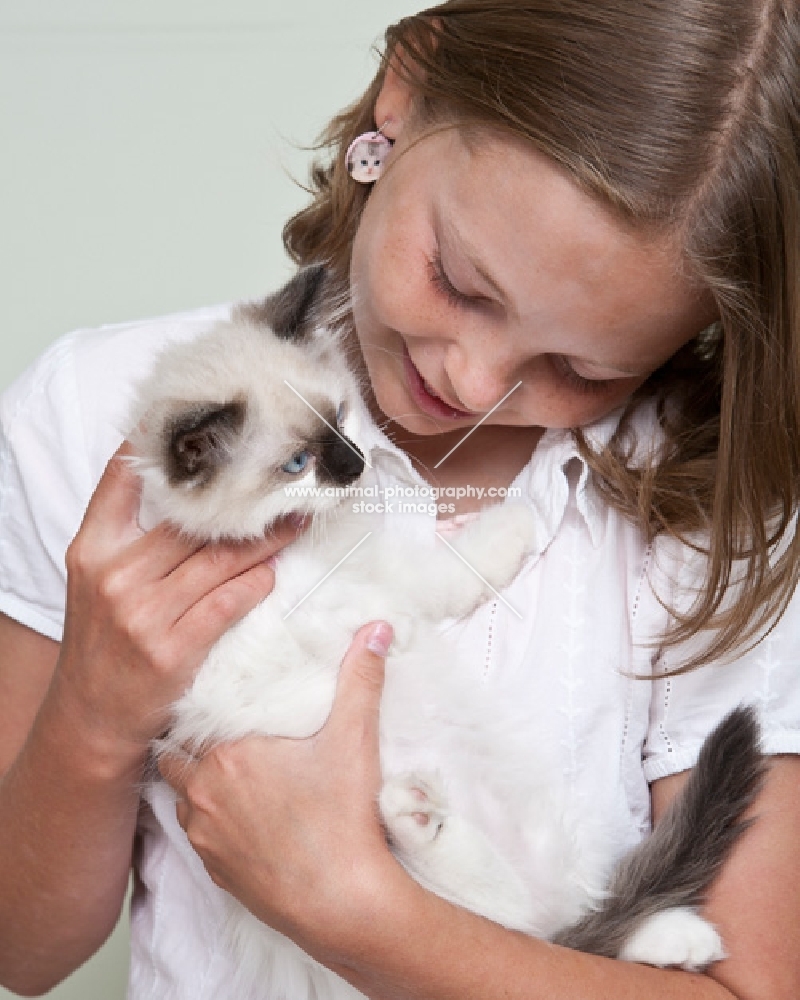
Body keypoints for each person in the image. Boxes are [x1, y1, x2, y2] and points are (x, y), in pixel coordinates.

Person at [1, 1, 799, 998]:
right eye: (460, 282)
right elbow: (22, 951)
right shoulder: (85, 414)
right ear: (404, 93)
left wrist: (352, 909)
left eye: (578, 365)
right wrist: (92, 711)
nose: (472, 384)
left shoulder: (705, 511)